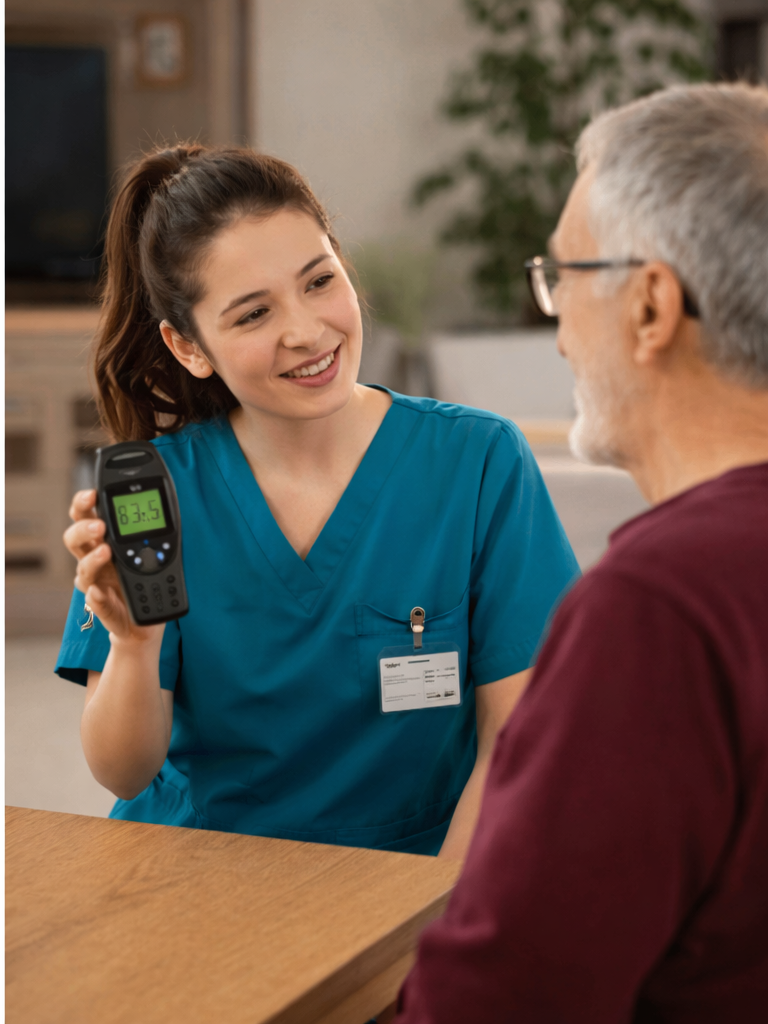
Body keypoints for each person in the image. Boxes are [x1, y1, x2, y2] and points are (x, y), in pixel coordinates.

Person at [56, 145, 579, 859]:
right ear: (188, 347)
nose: (306, 331)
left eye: (319, 281)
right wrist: (135, 644)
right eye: (251, 315)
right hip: (194, 879)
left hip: (409, 884)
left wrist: (422, 925)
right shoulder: (155, 492)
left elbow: (517, 744)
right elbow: (124, 770)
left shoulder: (478, 463)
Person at [395, 81, 768, 1020]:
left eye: (562, 275)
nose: (552, 319)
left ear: (650, 306)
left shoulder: (658, 611)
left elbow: (500, 1000)